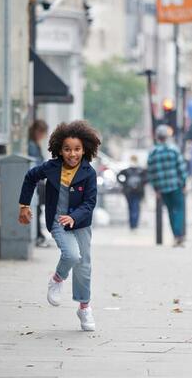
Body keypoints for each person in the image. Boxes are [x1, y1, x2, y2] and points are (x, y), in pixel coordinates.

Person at [18, 121, 101, 332]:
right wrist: (24, 205)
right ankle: (57, 279)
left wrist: (74, 217)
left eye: (77, 149)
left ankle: (84, 307)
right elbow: (30, 177)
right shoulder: (52, 167)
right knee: (72, 255)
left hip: (80, 224)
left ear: (85, 150)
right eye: (67, 149)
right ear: (60, 150)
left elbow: (89, 203)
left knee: (84, 266)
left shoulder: (89, 173)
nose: (72, 154)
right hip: (57, 222)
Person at [147, 125, 188, 247]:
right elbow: (181, 168)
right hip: (176, 186)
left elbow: (151, 172)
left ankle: (176, 235)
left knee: (170, 211)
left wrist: (156, 189)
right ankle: (179, 235)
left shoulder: (153, 153)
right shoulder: (173, 150)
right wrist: (184, 183)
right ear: (167, 136)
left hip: (162, 188)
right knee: (179, 210)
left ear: (157, 137)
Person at [28, 119, 50, 247]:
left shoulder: (35, 144)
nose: (42, 136)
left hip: (38, 180)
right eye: (41, 132)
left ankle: (38, 234)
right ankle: (37, 235)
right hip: (36, 181)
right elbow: (35, 163)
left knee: (38, 208)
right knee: (36, 208)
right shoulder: (31, 145)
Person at [117, 155, 147, 230]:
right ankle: (134, 224)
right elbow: (147, 179)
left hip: (131, 191)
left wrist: (123, 183)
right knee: (135, 207)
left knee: (132, 207)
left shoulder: (128, 170)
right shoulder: (140, 170)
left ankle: (133, 224)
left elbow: (118, 176)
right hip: (134, 191)